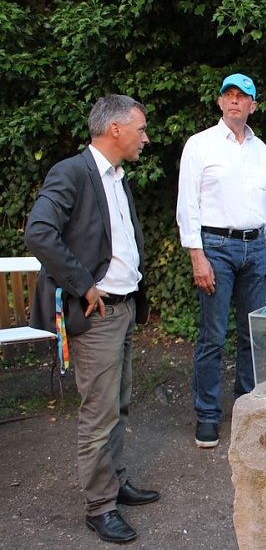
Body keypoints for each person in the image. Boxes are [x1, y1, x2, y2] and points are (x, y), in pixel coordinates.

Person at [24, 94, 158, 543]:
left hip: (122, 307)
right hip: (96, 312)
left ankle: (115, 482)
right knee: (98, 413)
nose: (146, 137)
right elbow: (39, 232)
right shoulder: (71, 172)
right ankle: (99, 506)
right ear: (115, 129)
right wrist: (83, 284)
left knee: (118, 404)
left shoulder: (117, 178)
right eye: (140, 129)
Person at [176, 73, 266, 449]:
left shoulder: (260, 148)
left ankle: (247, 408)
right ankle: (207, 415)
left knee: (253, 334)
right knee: (212, 334)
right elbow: (187, 204)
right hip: (216, 246)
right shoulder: (200, 145)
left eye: (243, 97)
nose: (235, 101)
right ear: (220, 103)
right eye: (229, 95)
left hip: (255, 247)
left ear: (254, 105)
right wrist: (196, 256)